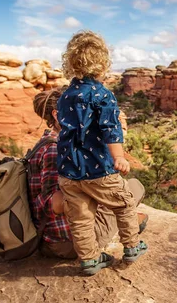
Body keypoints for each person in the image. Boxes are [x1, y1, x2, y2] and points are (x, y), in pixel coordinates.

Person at [57, 30, 148, 276]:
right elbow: (110, 129)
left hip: (68, 170)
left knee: (81, 217)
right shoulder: (102, 94)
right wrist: (118, 157)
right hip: (98, 168)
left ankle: (89, 260)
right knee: (124, 203)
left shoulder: (65, 95)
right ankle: (132, 246)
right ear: (102, 64)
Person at [28, 88, 148, 260]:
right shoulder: (56, 150)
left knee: (127, 188)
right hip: (67, 242)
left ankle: (124, 222)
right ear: (57, 115)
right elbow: (52, 204)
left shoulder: (54, 143)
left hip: (60, 236)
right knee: (133, 189)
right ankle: (127, 227)